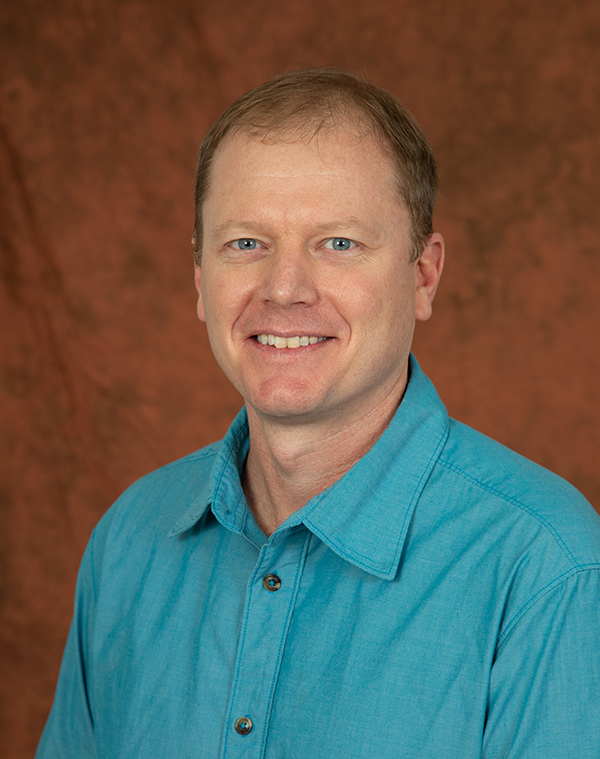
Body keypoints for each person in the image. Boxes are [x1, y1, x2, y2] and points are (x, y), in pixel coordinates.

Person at [37, 68, 600, 758]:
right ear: (200, 278)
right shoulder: (129, 542)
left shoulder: (546, 570)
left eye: (338, 243)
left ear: (424, 276)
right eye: (246, 243)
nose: (284, 289)